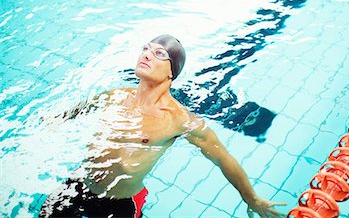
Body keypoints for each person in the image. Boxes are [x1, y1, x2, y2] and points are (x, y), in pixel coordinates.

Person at [39, 34, 286, 218]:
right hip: (80, 184)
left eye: (159, 53)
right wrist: (53, 119)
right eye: (146, 48)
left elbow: (223, 158)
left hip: (119, 202)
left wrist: (251, 198)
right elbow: (78, 110)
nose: (146, 54)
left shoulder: (178, 120)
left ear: (171, 72)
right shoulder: (114, 96)